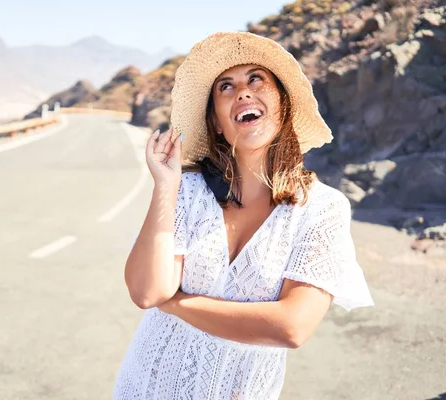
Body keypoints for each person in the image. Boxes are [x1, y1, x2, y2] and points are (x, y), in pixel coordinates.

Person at [113, 32, 374, 400]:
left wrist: (176, 304)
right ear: (217, 122)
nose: (243, 92)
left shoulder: (321, 209)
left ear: (282, 104)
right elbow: (146, 292)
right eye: (226, 86)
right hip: (144, 387)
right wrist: (165, 187)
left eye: (257, 79)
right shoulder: (187, 191)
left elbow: (291, 327)